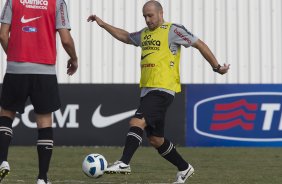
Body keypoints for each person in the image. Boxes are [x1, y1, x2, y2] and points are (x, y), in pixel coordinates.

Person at [88, 0, 229, 183]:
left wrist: (217, 67)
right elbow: (126, 36)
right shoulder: (145, 34)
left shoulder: (173, 30)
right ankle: (185, 168)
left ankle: (124, 162)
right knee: (156, 140)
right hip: (147, 90)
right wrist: (103, 24)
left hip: (163, 89)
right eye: (144, 16)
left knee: (137, 121)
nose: (147, 20)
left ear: (161, 13)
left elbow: (199, 44)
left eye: (150, 15)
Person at [0, 0, 78, 183]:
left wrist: (14, 56)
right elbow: (66, 39)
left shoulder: (13, 1)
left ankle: (2, 160)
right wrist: (74, 58)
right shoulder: (57, 2)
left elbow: (3, 35)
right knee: (44, 122)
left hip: (15, 69)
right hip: (44, 70)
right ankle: (42, 178)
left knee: (6, 115)